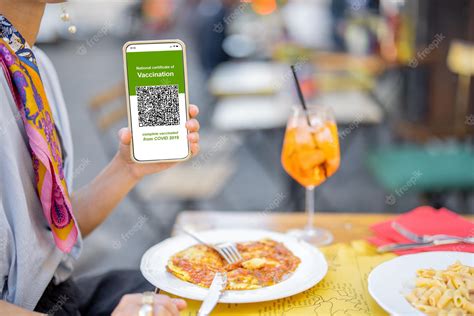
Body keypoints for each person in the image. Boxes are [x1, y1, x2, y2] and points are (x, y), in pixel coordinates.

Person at [0, 0, 200, 315]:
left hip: (60, 295)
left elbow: (50, 232)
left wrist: (127, 168)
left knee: (202, 292)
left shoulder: (31, 62)